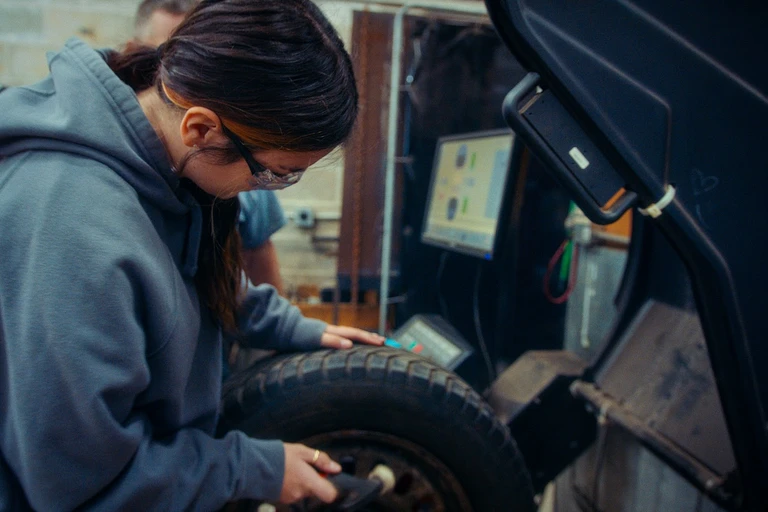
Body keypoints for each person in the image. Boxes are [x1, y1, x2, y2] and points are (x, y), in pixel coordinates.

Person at [0, 0, 385, 509]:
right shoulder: (71, 232)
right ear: (200, 129)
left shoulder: (162, 160)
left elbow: (178, 275)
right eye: (272, 172)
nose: (264, 188)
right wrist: (250, 469)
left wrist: (290, 326)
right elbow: (78, 486)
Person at [135, 0, 288, 294]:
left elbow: (257, 276)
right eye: (168, 60)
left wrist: (286, 330)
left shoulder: (243, 172)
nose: (190, 82)